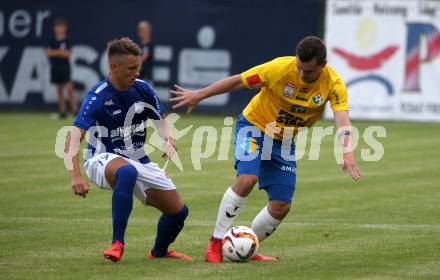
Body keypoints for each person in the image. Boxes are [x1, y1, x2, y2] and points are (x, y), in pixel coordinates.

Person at [170, 36, 362, 263]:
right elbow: (238, 81)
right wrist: (200, 94)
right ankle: (215, 241)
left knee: (281, 205)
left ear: (323, 64)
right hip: (253, 126)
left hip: (284, 141)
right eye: (299, 67)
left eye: (308, 71)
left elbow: (342, 119)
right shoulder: (279, 68)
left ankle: (248, 245)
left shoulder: (334, 85)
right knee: (247, 179)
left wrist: (347, 151)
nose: (301, 74)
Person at [65, 37, 190, 262]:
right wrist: (75, 175)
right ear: (113, 67)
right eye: (132, 68)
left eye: (139, 67)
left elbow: (161, 122)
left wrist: (169, 139)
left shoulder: (143, 90)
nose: (137, 73)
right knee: (127, 172)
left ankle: (159, 253)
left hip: (139, 160)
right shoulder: (98, 96)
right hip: (100, 159)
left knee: (178, 212)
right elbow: (74, 137)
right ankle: (117, 243)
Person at [46, 17, 78, 119]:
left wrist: (55, 52)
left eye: (61, 27)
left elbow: (67, 54)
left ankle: (76, 111)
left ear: (65, 28)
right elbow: (49, 53)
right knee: (59, 90)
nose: (59, 29)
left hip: (65, 68)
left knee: (69, 89)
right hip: (55, 67)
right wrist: (60, 52)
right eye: (57, 27)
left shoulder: (67, 40)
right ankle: (62, 112)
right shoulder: (52, 40)